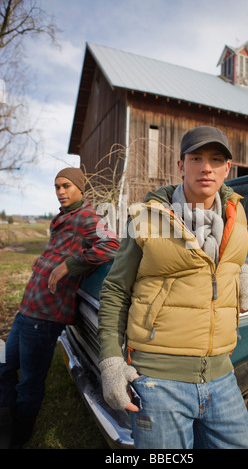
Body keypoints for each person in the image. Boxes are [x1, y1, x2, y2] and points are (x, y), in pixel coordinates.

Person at [98, 126, 248, 449]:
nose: (206, 167)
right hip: (159, 381)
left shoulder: (235, 212)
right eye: (196, 157)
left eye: (216, 159)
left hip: (221, 376)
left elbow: (220, 258)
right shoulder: (146, 219)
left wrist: (241, 268)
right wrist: (112, 361)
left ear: (228, 168)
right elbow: (115, 290)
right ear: (180, 165)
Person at [0, 168, 119, 449]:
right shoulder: (63, 217)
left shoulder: (87, 216)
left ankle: (17, 437)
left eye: (66, 186)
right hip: (27, 308)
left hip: (45, 315)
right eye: (57, 187)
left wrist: (70, 264)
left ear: (80, 188)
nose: (61, 191)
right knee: (5, 368)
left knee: (28, 383)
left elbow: (112, 244)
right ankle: (5, 422)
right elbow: (60, 249)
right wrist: (43, 264)